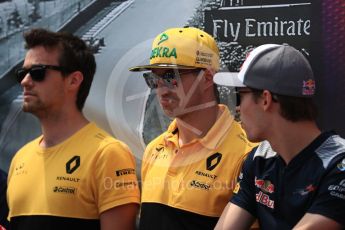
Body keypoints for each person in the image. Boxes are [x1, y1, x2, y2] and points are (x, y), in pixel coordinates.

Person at [7, 28, 140, 230]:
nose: (25, 81)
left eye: (37, 72)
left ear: (74, 80)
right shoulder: (20, 158)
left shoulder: (108, 154)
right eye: (22, 73)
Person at [129, 27, 256, 230]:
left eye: (171, 77)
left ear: (207, 78)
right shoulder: (154, 148)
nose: (161, 89)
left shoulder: (247, 154)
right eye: (153, 79)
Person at [213, 44, 345, 229]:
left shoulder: (338, 165)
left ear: (266, 99)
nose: (237, 108)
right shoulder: (260, 159)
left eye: (239, 96)